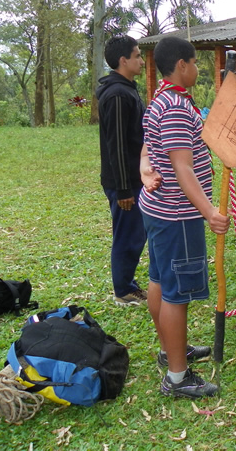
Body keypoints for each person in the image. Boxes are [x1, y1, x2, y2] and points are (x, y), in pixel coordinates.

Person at [139, 36, 229, 398]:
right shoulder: (175, 106)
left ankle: (170, 350)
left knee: (160, 281)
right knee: (176, 294)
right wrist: (209, 212)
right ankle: (177, 378)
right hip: (177, 214)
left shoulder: (160, 99)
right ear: (181, 65)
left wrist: (145, 169)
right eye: (194, 63)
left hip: (159, 209)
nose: (197, 69)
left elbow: (149, 147)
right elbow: (182, 169)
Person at [96, 35, 148, 307]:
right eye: (137, 56)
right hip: (124, 181)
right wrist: (124, 188)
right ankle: (123, 290)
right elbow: (115, 144)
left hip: (134, 177)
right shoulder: (117, 94)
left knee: (135, 233)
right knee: (127, 235)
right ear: (123, 60)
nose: (142, 61)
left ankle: (128, 284)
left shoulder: (126, 89)